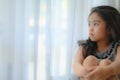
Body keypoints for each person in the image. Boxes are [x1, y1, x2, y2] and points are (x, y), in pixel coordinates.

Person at [73, 5, 120, 80]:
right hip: (88, 77)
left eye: (95, 24)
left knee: (105, 63)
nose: (90, 29)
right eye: (89, 24)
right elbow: (76, 65)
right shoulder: (85, 47)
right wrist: (87, 72)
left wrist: (105, 71)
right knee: (89, 60)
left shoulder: (117, 47)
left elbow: (118, 65)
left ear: (109, 28)